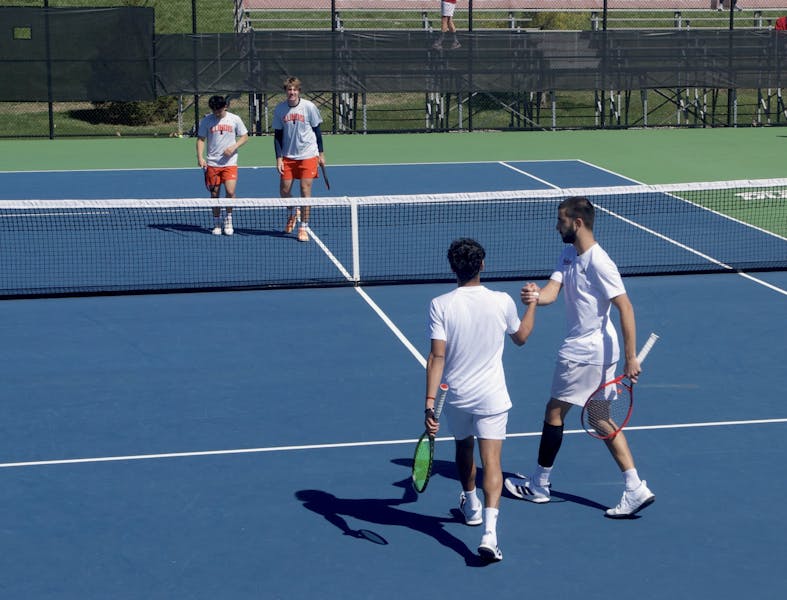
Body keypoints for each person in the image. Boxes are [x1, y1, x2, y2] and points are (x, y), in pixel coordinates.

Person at [504, 197, 655, 519]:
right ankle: (635, 487)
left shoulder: (600, 262)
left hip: (585, 353)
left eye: (560, 220)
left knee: (554, 412)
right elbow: (551, 293)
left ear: (577, 223)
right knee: (599, 417)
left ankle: (540, 485)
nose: (556, 225)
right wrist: (534, 297)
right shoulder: (569, 254)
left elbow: (625, 307)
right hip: (594, 353)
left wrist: (631, 358)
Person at [425, 238, 538, 562]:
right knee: (493, 463)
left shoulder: (440, 304)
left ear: (452, 267)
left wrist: (430, 403)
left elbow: (437, 356)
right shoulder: (502, 301)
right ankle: (490, 534)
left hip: (457, 398)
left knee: (463, 447)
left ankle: (471, 506)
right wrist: (533, 303)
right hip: (491, 397)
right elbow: (522, 338)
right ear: (482, 265)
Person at [272, 76, 326, 243]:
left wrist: (321, 154)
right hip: (288, 156)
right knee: (284, 191)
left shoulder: (309, 107)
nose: (292, 92)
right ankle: (293, 211)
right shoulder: (280, 110)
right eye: (289, 89)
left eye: (295, 89)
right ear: (286, 91)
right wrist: (279, 158)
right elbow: (277, 136)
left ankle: (303, 226)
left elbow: (317, 131)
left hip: (308, 155)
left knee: (305, 190)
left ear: (299, 91)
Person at [196, 95, 249, 236]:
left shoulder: (235, 119)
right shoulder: (207, 121)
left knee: (230, 192)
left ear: (225, 106)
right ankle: (217, 222)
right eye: (214, 110)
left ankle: (229, 219)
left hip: (230, 163)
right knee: (214, 194)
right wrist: (200, 157)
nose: (216, 113)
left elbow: (245, 136)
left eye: (218, 110)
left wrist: (234, 146)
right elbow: (201, 139)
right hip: (213, 163)